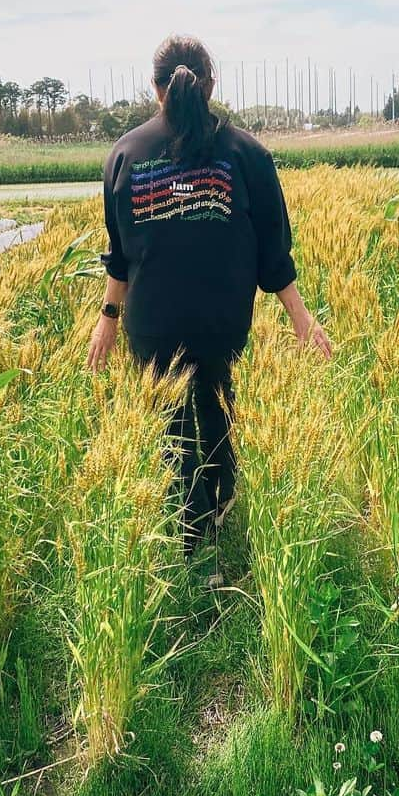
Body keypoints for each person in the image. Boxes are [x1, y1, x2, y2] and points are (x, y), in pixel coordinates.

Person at [87, 33, 331, 562]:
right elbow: (273, 246)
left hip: (152, 323)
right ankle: (217, 518)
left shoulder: (125, 154)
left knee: (171, 423)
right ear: (212, 84)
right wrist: (300, 316)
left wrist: (108, 317)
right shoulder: (246, 153)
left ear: (155, 89)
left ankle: (188, 533)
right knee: (218, 409)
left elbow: (119, 252)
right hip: (223, 319)